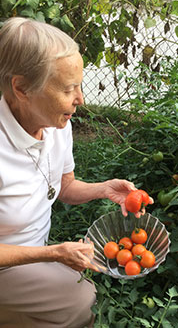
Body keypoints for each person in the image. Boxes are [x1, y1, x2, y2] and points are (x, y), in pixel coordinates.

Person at [0, 17, 153, 328]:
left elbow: (63, 184)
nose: (81, 99)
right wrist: (54, 254)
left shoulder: (56, 124)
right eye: (69, 88)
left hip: (35, 251)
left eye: (79, 84)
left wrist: (103, 189)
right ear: (21, 88)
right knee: (79, 301)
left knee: (74, 293)